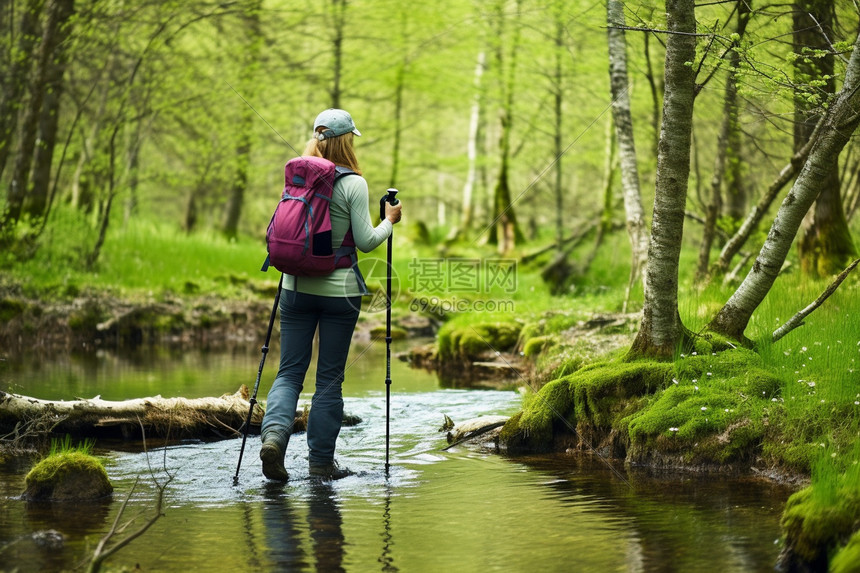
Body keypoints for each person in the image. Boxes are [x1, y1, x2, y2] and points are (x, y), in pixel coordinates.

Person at [260, 108, 402, 481]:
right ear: (346, 140)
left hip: (294, 288)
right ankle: (321, 465)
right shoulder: (354, 184)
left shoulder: (297, 177)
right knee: (328, 380)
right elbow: (368, 242)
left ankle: (273, 439)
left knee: (289, 372)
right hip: (340, 292)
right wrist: (389, 221)